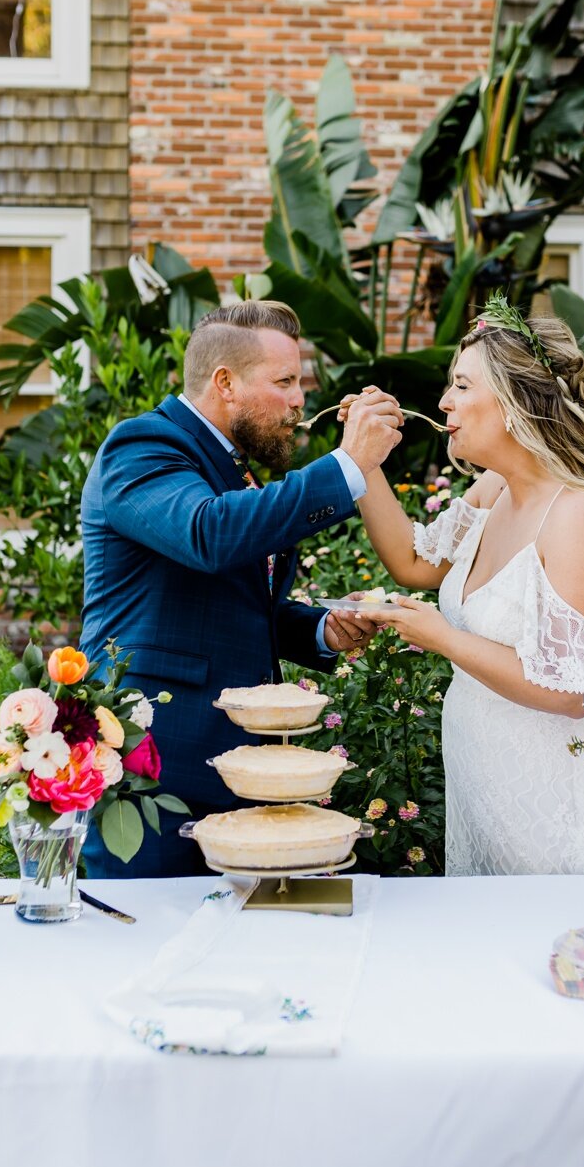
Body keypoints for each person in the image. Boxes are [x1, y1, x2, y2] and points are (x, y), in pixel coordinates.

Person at [344, 296, 584, 876]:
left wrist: (441, 637)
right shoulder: (496, 489)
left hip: (553, 801)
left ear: (517, 403)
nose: (444, 401)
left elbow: (574, 691)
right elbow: (415, 561)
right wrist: (361, 461)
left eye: (462, 386)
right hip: (487, 788)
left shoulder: (581, 515)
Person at [78, 300, 402, 878]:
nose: (301, 400)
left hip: (237, 769)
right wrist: (349, 465)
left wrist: (321, 630)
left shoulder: (233, 466)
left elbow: (242, 606)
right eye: (285, 381)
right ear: (224, 383)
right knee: (137, 942)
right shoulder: (140, 448)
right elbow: (209, 534)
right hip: (155, 768)